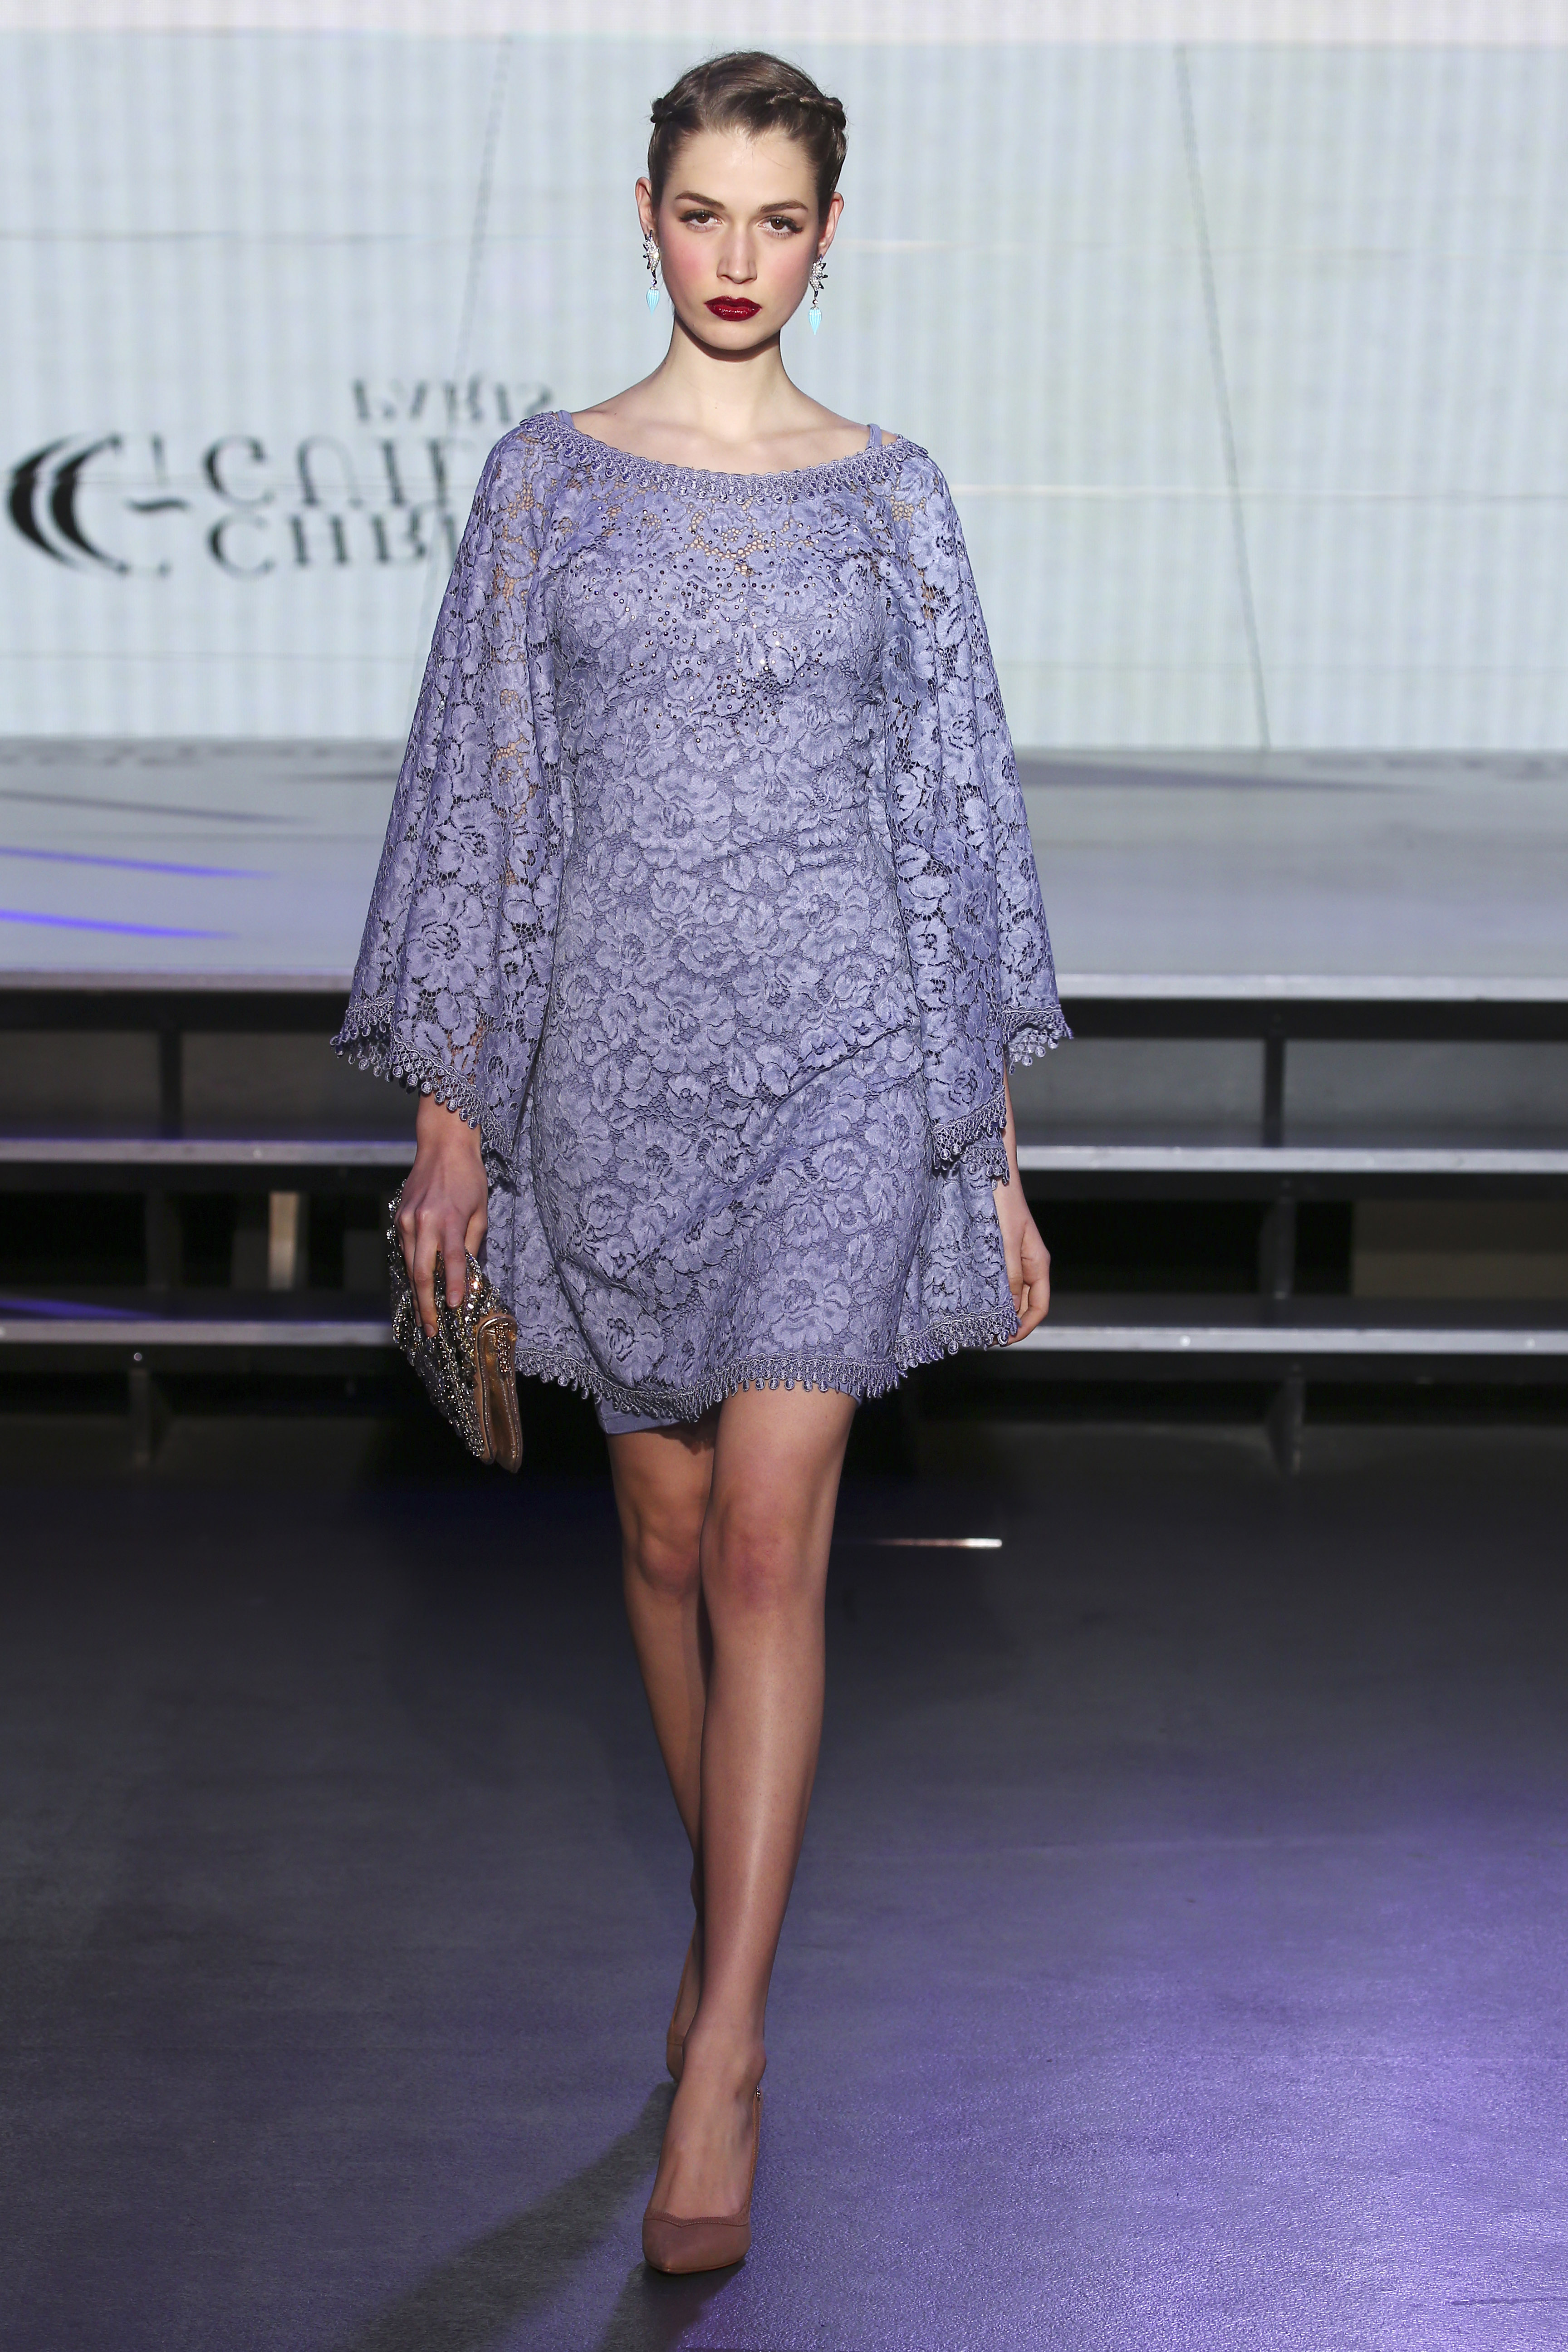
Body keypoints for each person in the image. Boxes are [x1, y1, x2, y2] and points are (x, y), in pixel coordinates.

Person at [335, 49, 1066, 2276]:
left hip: (843, 1062)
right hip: (608, 1070)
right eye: (702, 211)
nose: (737, 255)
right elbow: (486, 799)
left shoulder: (893, 498)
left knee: (765, 1541)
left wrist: (989, 1154)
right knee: (659, 1540)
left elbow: (953, 828)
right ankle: (719, 1929)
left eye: (779, 217)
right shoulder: (544, 482)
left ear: (829, 236)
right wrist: (454, 1119)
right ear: (642, 216)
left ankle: (730, 2042)